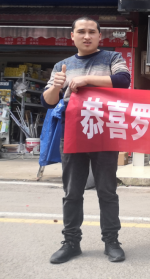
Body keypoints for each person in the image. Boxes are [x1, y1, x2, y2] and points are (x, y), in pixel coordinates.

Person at [42, 16, 131, 264]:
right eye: (81, 31)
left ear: (100, 36)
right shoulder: (62, 65)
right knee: (72, 191)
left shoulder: (112, 58)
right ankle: (71, 242)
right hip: (73, 134)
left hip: (104, 132)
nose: (87, 36)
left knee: (107, 191)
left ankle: (111, 241)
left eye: (92, 31)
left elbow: (123, 81)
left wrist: (86, 80)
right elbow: (48, 102)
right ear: (72, 36)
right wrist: (55, 87)